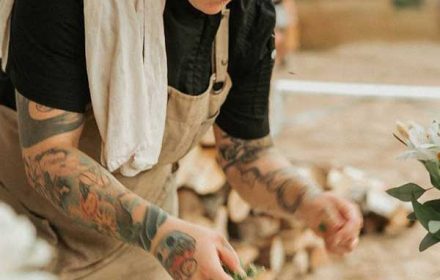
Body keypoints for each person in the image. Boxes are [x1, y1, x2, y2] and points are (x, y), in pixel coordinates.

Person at [0, 0, 363, 279]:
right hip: (21, 241)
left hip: (141, 246)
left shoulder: (248, 14)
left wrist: (309, 202)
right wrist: (161, 235)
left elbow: (247, 154)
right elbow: (50, 158)